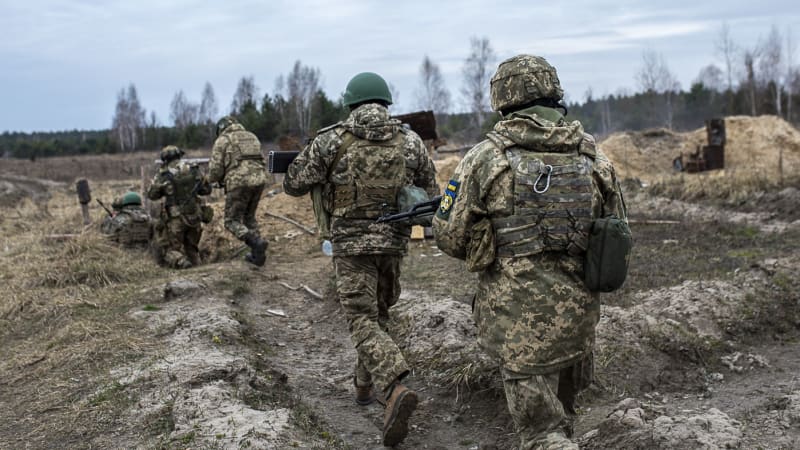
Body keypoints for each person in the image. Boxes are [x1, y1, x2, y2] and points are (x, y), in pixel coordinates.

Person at [433, 55, 628, 450]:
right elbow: (617, 233)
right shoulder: (594, 156)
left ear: (501, 99)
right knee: (563, 421)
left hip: (516, 327)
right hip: (578, 322)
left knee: (542, 435)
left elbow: (449, 236)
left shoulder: (485, 158)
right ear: (554, 92)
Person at [283, 72, 439, 447]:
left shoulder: (330, 139)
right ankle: (364, 386)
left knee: (361, 319)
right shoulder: (411, 140)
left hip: (351, 245)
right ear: (386, 102)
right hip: (394, 241)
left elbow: (293, 184)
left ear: (351, 104)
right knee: (380, 313)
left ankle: (394, 383)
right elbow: (431, 192)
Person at [208, 116, 269, 266]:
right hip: (259, 179)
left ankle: (256, 243)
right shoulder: (252, 136)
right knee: (249, 217)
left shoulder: (223, 140)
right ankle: (258, 255)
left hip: (239, 183)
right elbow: (261, 160)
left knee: (231, 221)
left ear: (221, 129)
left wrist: (212, 180)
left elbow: (215, 171)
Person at [147, 145, 212, 269]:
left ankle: (182, 264)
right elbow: (206, 190)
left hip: (175, 219)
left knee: (169, 250)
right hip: (195, 216)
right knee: (192, 248)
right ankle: (199, 271)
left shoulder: (164, 174)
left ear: (165, 159)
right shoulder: (194, 169)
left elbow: (152, 195)